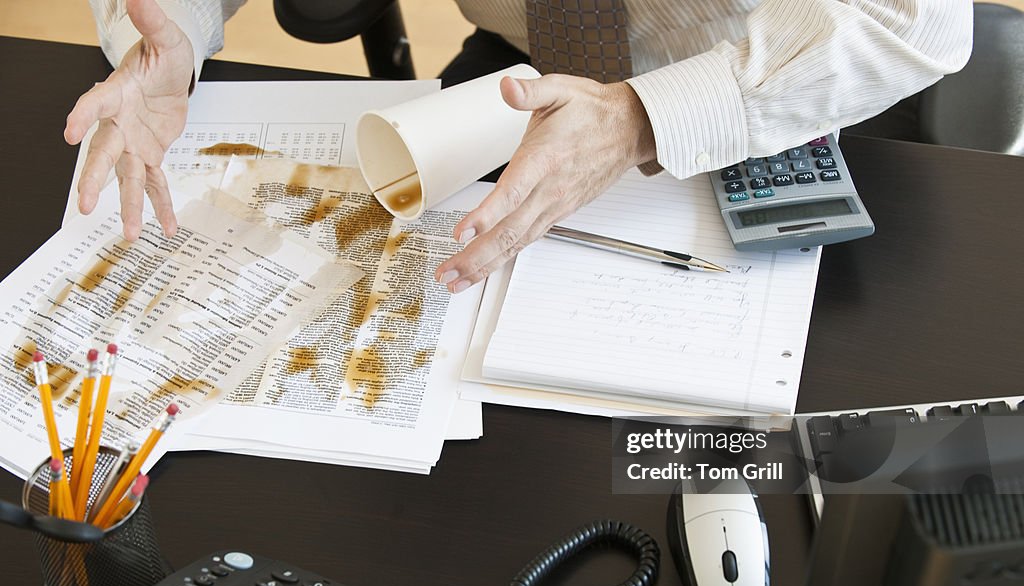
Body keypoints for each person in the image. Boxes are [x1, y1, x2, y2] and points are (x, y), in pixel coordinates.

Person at [67, 0, 972, 294]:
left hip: (751, 77)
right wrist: (174, 33)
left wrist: (640, 117)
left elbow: (923, 19)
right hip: (520, 65)